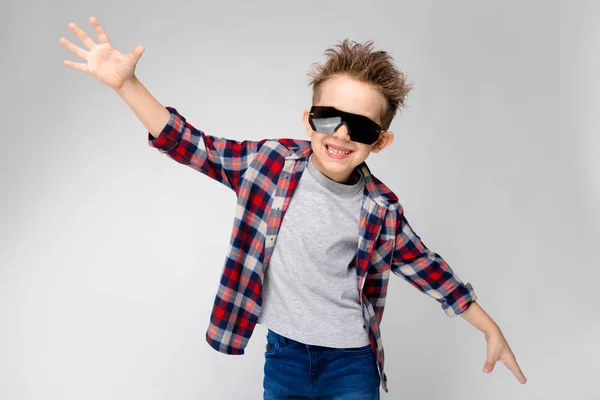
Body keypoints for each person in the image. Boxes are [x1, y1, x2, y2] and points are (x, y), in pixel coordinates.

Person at [59, 16, 527, 399]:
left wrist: (490, 327)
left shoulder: (381, 209)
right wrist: (127, 85)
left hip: (352, 363)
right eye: (330, 119)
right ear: (309, 120)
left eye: (361, 128)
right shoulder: (268, 164)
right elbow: (192, 146)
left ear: (380, 142)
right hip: (283, 356)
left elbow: (429, 269)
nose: (341, 135)